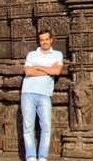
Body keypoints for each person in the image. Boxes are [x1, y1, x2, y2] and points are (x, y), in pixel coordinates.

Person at [21, 30, 63, 161]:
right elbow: (28, 71)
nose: (44, 42)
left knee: (46, 126)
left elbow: (56, 71)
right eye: (41, 40)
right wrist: (48, 69)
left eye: (46, 39)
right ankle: (31, 157)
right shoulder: (32, 54)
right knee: (28, 127)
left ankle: (43, 157)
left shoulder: (57, 54)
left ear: (51, 40)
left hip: (45, 94)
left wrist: (39, 67)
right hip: (28, 93)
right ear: (39, 41)